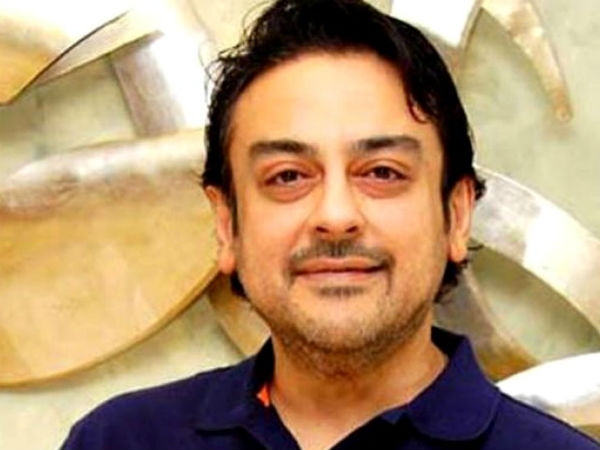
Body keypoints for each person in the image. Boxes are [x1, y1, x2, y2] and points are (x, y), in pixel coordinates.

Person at [60, 0, 600, 449]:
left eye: (382, 172)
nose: (335, 217)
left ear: (456, 216)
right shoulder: (118, 441)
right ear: (227, 225)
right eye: (288, 176)